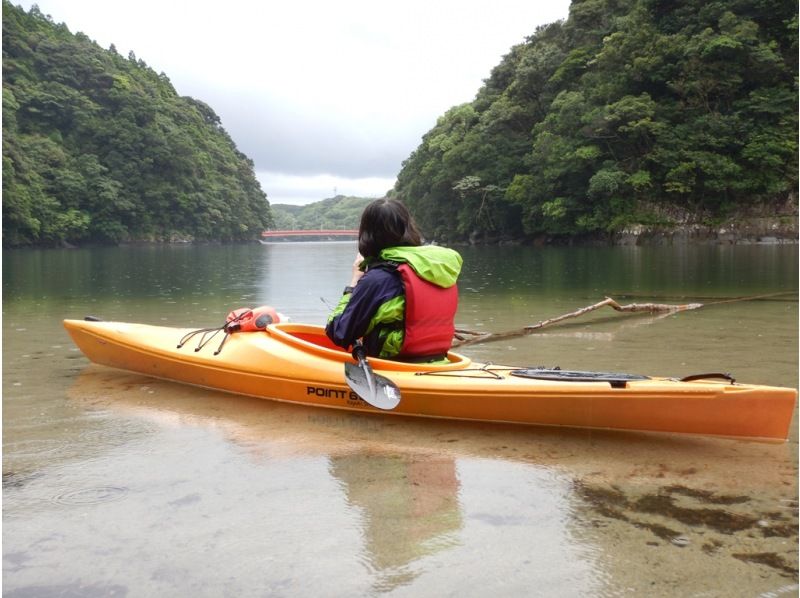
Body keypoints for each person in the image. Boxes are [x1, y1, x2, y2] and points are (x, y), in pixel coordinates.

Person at [325, 198, 462, 361]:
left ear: (368, 234)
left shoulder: (378, 279)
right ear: (409, 227)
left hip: (396, 365)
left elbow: (339, 332)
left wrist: (354, 281)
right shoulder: (437, 268)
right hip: (438, 360)